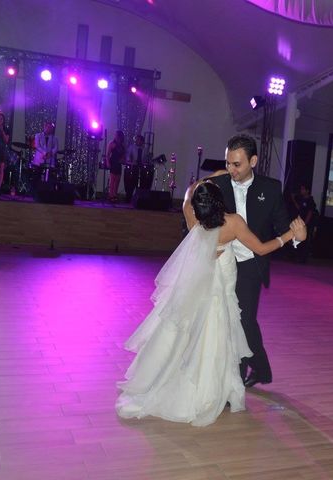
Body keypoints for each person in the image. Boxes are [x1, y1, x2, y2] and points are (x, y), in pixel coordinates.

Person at [116, 180, 306, 426]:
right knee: (218, 334)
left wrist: (198, 185)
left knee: (194, 333)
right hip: (223, 289)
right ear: (219, 202)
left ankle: (191, 380)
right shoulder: (233, 223)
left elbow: (186, 196)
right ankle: (214, 387)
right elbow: (260, 249)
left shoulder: (193, 219)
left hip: (201, 290)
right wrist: (291, 235)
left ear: (198, 206)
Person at [210, 134, 294, 388]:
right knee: (222, 320)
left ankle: (235, 382)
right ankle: (256, 372)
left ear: (253, 161)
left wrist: (296, 237)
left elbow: (282, 225)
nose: (231, 170)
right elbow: (194, 214)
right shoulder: (218, 184)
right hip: (221, 263)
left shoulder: (270, 188)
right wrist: (203, 246)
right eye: (228, 163)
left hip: (249, 264)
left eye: (237, 164)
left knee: (243, 320)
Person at [106, 130, 126, 203]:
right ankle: (110, 195)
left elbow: (124, 156)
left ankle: (115, 194)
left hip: (118, 164)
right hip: (113, 162)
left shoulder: (122, 146)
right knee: (112, 180)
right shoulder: (112, 143)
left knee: (117, 180)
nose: (115, 136)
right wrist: (108, 163)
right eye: (115, 135)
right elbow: (108, 154)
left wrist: (123, 160)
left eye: (117, 135)